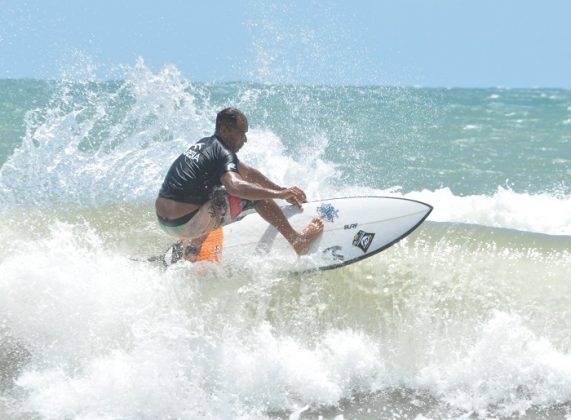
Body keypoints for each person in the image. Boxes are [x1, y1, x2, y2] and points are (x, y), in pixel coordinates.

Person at [155, 107, 324, 263]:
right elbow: (236, 186)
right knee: (256, 197)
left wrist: (282, 190)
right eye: (241, 133)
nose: (245, 139)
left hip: (166, 222)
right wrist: (277, 195)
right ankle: (298, 242)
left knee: (217, 193)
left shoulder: (206, 144)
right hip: (187, 223)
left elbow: (249, 173)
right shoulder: (223, 152)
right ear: (224, 130)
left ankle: (192, 248)